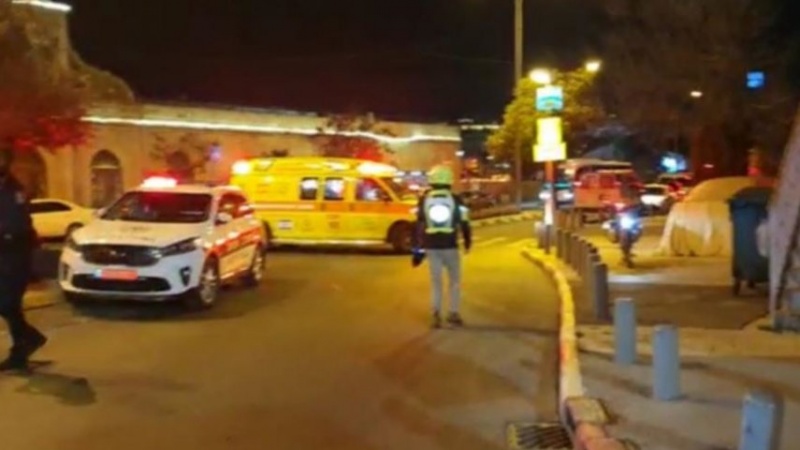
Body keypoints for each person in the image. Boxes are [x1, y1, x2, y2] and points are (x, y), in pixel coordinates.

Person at [0, 142, 47, 371]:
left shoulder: (14, 190)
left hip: (15, 256)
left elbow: (17, 224)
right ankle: (23, 346)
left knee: (7, 304)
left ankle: (25, 344)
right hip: (4, 255)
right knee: (10, 306)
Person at [412, 165, 472, 328]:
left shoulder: (424, 200)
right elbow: (464, 222)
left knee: (436, 282)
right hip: (450, 245)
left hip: (431, 247)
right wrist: (467, 241)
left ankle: (435, 315)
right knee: (454, 281)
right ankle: (453, 314)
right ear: (449, 181)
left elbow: (418, 225)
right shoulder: (456, 199)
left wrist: (417, 250)